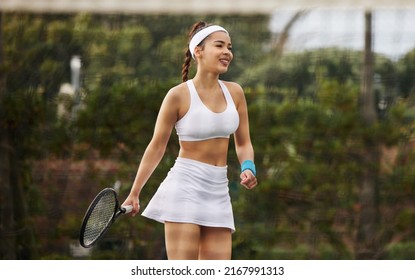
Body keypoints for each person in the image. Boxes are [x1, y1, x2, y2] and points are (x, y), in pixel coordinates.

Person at [122, 21, 257, 260]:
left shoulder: (235, 92)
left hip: (218, 191)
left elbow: (243, 142)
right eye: (219, 45)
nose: (227, 52)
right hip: (184, 189)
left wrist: (248, 167)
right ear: (198, 51)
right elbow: (156, 146)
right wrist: (135, 192)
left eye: (229, 47)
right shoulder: (177, 95)